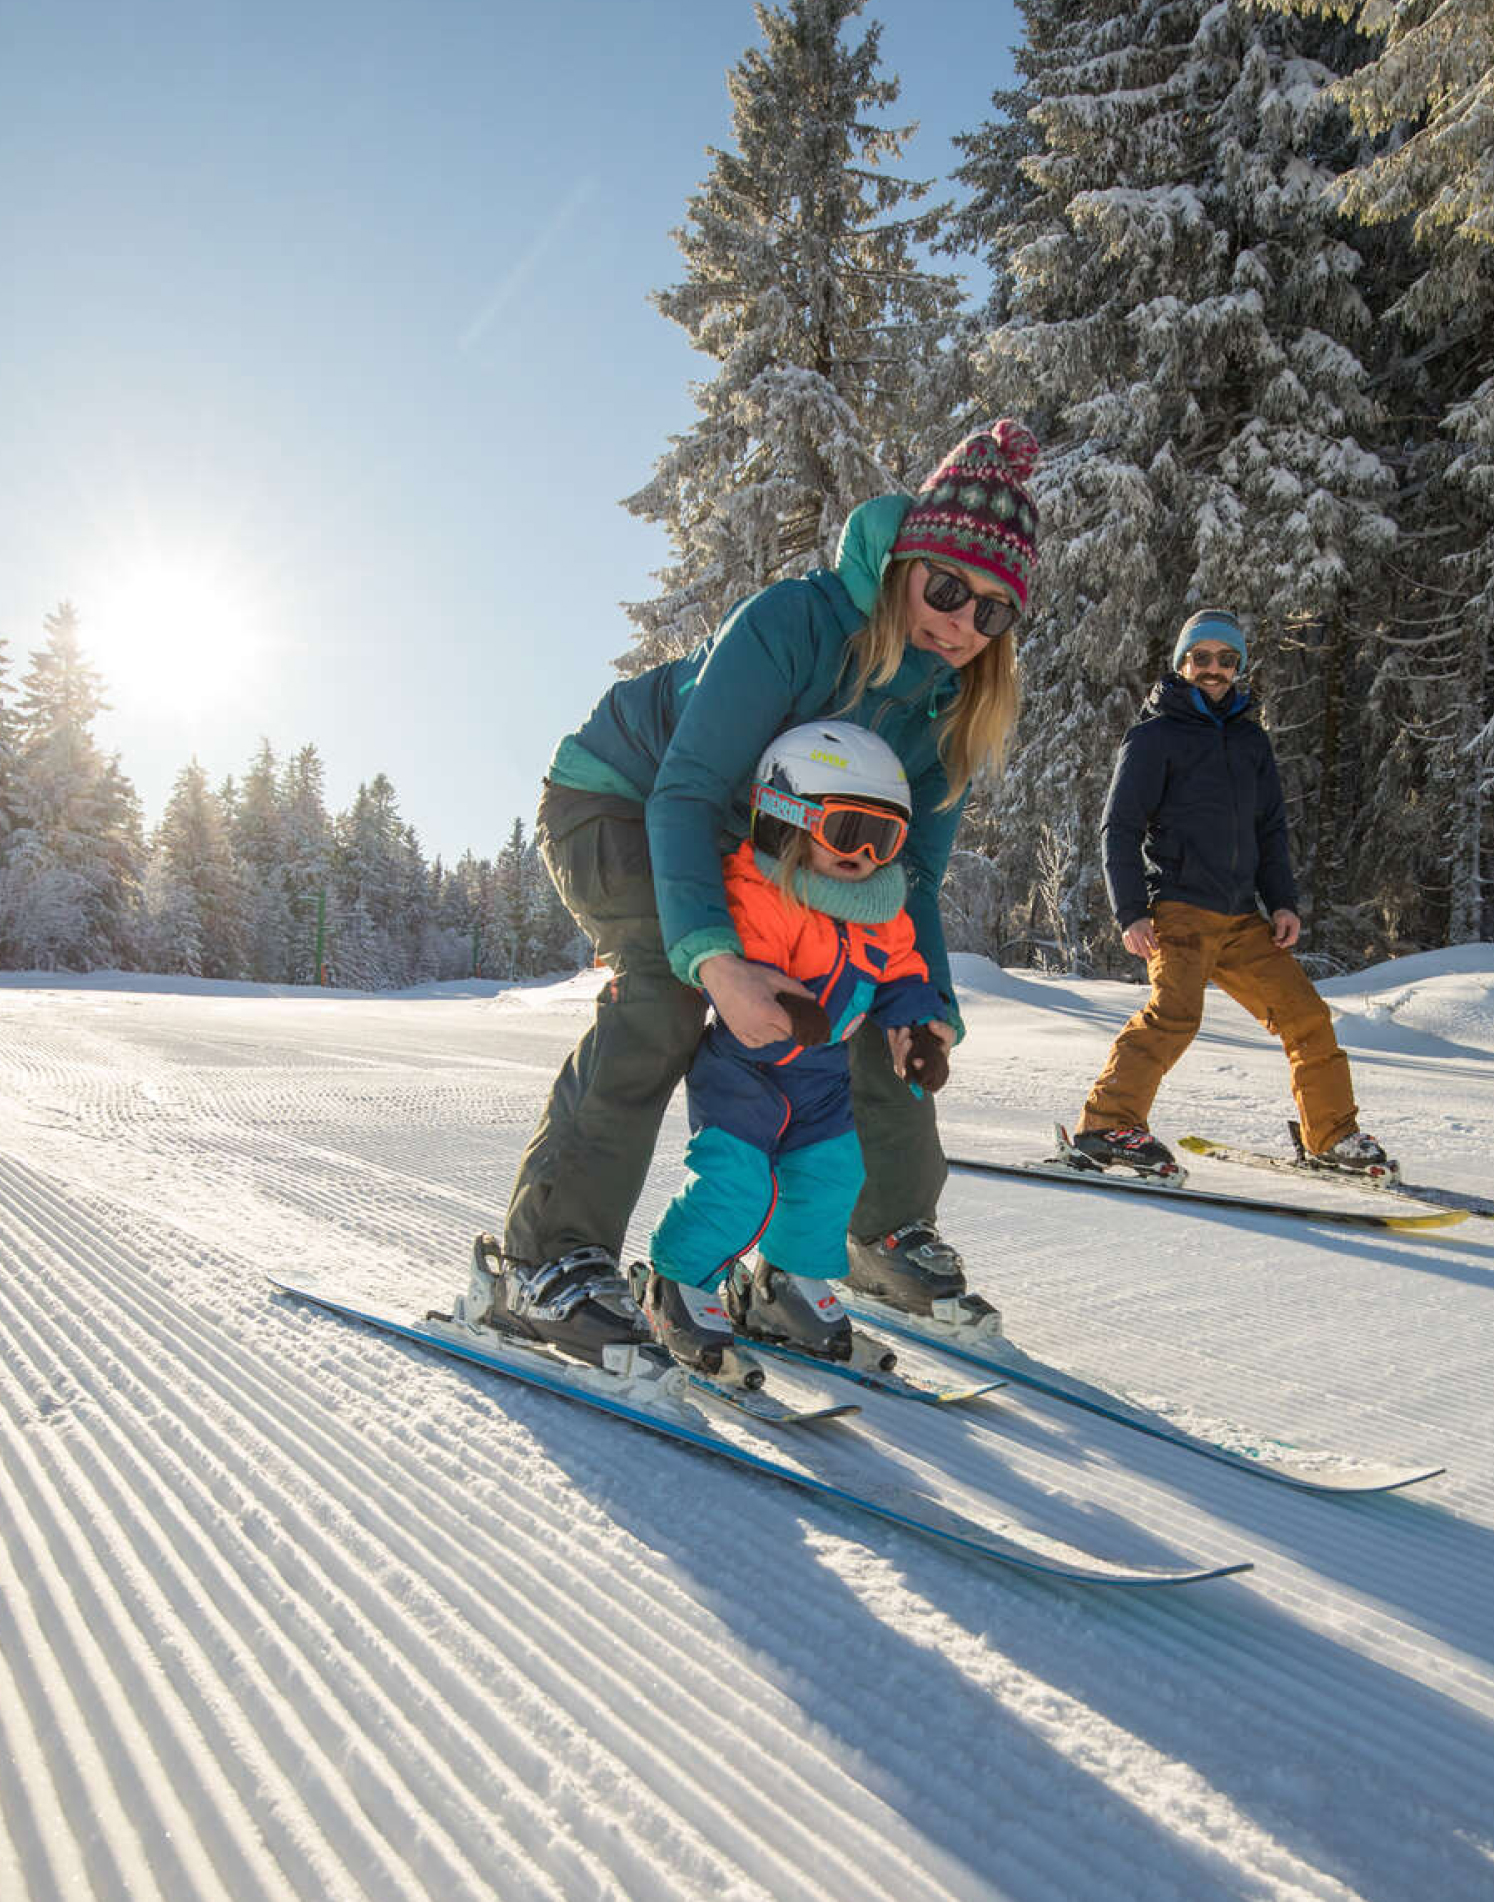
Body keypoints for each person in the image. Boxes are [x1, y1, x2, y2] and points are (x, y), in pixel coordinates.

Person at [468, 420, 1040, 1367]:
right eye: (947, 589)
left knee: (870, 996)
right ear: (905, 559)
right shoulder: (796, 624)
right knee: (668, 986)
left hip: (779, 849)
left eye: (994, 614)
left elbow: (913, 882)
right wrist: (717, 960)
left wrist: (923, 1008)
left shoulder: (952, 713)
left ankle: (857, 1241)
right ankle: (545, 1261)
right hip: (622, 798)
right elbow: (685, 791)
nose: (962, 625)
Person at [640, 721, 952, 1375]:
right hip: (745, 1072)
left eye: (884, 838)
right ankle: (676, 1285)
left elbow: (900, 973)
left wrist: (919, 1030)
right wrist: (792, 1006)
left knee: (833, 1178)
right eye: (847, 831)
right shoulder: (761, 890)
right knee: (737, 1186)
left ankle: (782, 1284)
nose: (865, 854)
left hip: (822, 1078)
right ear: (790, 817)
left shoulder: (879, 913)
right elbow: (752, 962)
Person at [1072, 609, 1390, 1178]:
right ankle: (1107, 1126)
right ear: (1182, 663)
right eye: (1201, 658)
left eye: (1226, 659)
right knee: (1174, 1014)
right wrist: (1130, 911)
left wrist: (1284, 902)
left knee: (1307, 1017)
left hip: (1243, 918)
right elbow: (1119, 827)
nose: (1213, 669)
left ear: (1237, 666)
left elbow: (1269, 830)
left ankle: (1332, 1137)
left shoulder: (1250, 740)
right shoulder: (1154, 736)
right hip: (1179, 909)